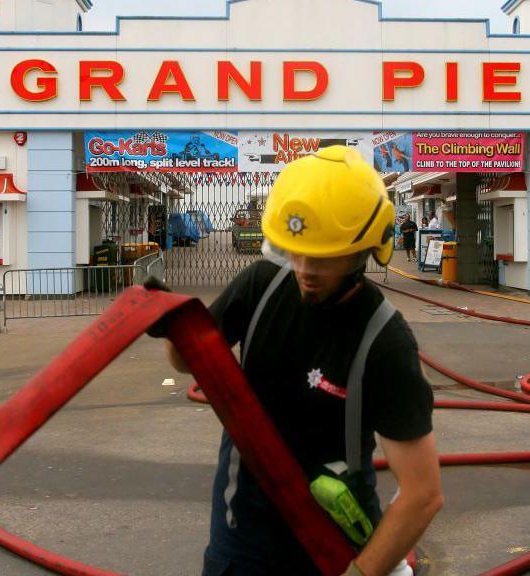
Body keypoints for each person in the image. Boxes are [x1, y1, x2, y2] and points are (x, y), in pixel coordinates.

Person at [157, 146, 442, 576]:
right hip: (243, 530)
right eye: (296, 250)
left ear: (365, 250)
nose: (305, 268)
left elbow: (422, 493)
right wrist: (174, 327)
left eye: (323, 256)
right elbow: (184, 361)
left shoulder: (385, 341)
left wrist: (361, 573)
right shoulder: (262, 283)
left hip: (331, 541)